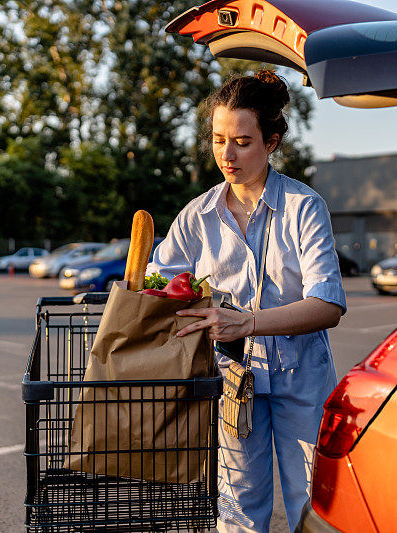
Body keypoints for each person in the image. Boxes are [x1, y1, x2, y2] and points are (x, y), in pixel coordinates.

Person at [147, 70, 346, 532]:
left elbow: (328, 305)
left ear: (272, 141)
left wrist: (247, 322)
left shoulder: (304, 207)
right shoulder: (197, 215)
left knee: (310, 505)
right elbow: (159, 284)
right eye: (218, 140)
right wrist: (156, 290)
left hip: (303, 380)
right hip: (234, 381)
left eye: (242, 141)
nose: (227, 155)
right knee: (238, 508)